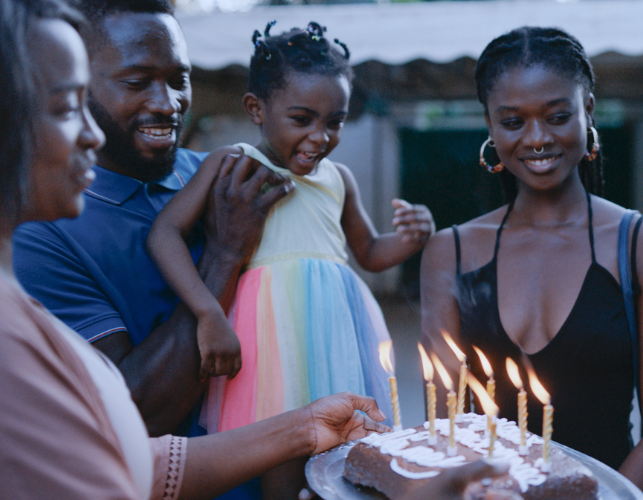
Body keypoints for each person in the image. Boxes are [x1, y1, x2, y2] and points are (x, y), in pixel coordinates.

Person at [0, 1, 390, 498]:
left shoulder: (220, 173)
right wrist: (225, 253)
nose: (167, 104)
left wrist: (304, 425)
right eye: (137, 82)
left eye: (179, 79)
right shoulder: (41, 234)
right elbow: (131, 420)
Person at [145, 20, 435, 498]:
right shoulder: (231, 164)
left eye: (335, 122)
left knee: (341, 453)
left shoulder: (338, 178)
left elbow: (369, 253)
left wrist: (411, 238)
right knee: (279, 454)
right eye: (303, 119)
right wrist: (206, 312)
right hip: (266, 343)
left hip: (337, 334)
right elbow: (164, 233)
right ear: (256, 109)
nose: (320, 137)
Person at [420, 26, 643, 499]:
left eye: (557, 115)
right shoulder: (451, 252)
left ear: (587, 109)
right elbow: (444, 426)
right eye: (513, 122)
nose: (537, 138)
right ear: (489, 125)